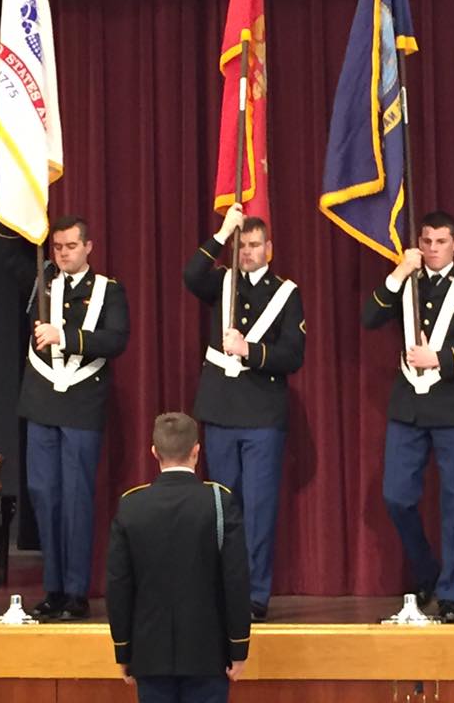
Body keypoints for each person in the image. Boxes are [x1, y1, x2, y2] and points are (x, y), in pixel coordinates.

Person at [362, 211, 454, 623]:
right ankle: (427, 570)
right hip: (408, 406)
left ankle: (451, 595)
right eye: (426, 242)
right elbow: (370, 318)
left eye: (440, 242)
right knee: (396, 496)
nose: (432, 249)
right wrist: (396, 274)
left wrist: (440, 358)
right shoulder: (407, 282)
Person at [0, 215, 130, 620]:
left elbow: (117, 339)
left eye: (71, 246)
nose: (64, 253)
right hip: (41, 403)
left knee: (75, 499)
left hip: (82, 401)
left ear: (88, 247)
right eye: (58, 247)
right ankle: (52, 588)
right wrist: (21, 207)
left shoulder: (108, 290)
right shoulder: (40, 280)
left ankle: (75, 590)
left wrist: (65, 336)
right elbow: (0, 251)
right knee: (44, 496)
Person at [182, 203, 305, 622]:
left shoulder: (286, 293)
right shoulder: (222, 282)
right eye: (242, 245)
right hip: (220, 410)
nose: (248, 252)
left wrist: (250, 350)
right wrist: (220, 234)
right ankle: (220, 589)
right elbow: (191, 276)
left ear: (268, 248)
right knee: (221, 507)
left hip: (262, 415)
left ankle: (254, 595)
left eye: (255, 245)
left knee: (258, 509)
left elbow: (293, 354)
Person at [106, 412, 250, 703]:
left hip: (149, 655)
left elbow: (118, 586)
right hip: (207, 655)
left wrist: (123, 650)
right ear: (197, 451)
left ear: (154, 452)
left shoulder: (132, 505)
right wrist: (239, 648)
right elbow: (236, 580)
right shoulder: (219, 502)